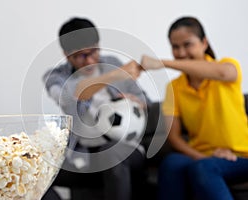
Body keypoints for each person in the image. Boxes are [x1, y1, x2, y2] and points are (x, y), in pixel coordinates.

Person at [42, 17, 151, 200]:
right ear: (67, 55)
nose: (90, 60)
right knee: (38, 168)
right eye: (81, 56)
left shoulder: (113, 62)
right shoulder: (56, 77)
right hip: (83, 154)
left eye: (94, 52)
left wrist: (134, 102)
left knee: (111, 154)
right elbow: (69, 97)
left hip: (125, 148)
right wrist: (112, 76)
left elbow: (145, 101)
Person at [141, 16, 248, 200]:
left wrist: (162, 63)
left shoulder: (226, 66)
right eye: (175, 47)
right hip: (202, 156)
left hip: (241, 156)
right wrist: (203, 157)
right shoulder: (173, 88)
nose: (181, 52)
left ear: (204, 42)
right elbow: (174, 137)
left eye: (187, 44)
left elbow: (224, 73)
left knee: (204, 168)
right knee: (172, 163)